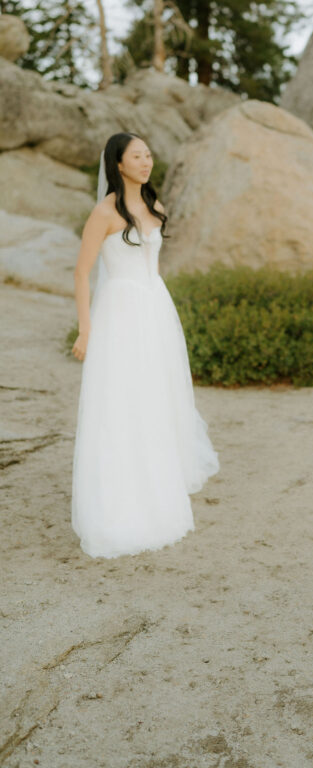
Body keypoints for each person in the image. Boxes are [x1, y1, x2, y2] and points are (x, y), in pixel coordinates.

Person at [71, 132, 218, 558]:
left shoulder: (156, 207)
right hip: (118, 311)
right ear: (118, 164)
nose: (145, 161)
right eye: (137, 156)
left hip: (154, 308)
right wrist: (85, 328)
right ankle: (117, 505)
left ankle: (157, 493)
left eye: (149, 155)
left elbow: (151, 264)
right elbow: (82, 274)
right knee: (119, 402)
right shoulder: (104, 212)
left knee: (156, 398)